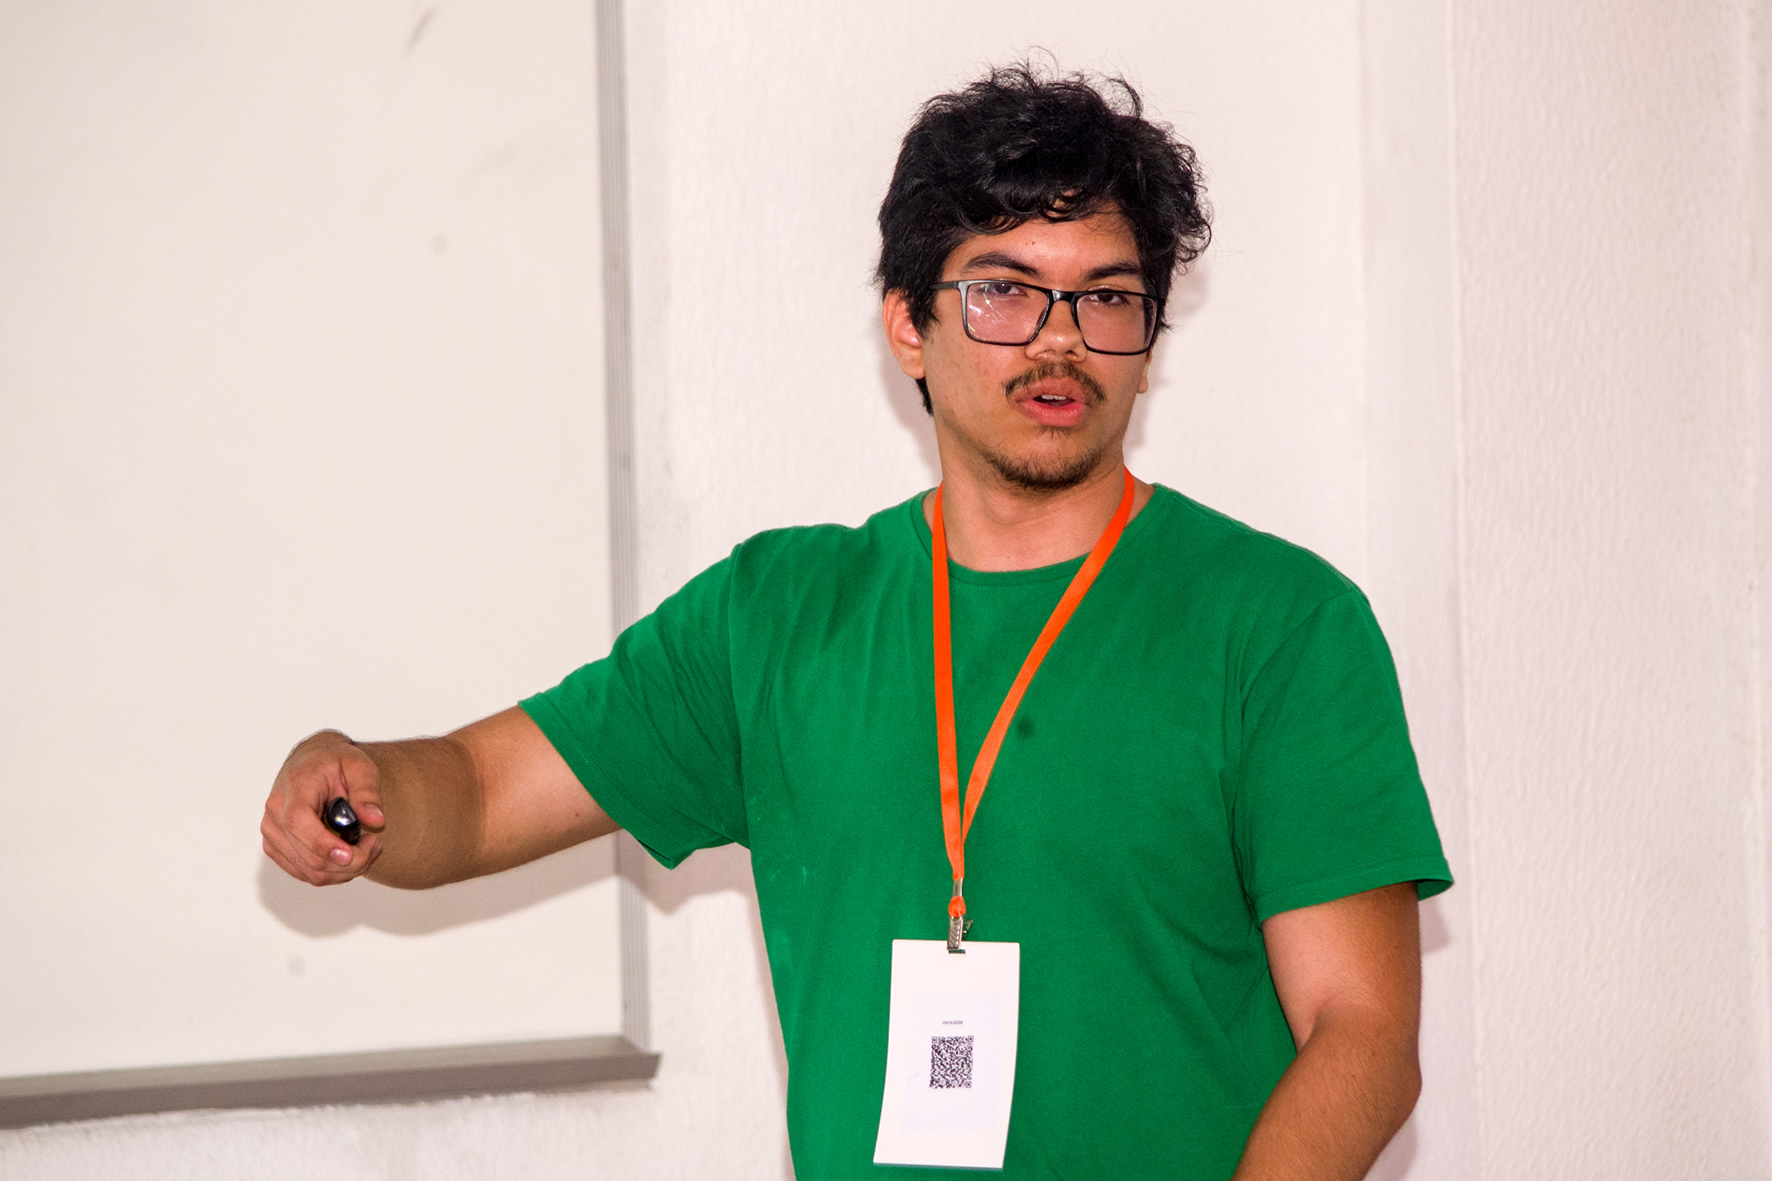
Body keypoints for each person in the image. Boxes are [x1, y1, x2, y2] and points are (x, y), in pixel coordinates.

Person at [261, 65, 1451, 1180]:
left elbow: (1359, 1031)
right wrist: (360, 779)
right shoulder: (776, 616)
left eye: (1104, 297)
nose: (1058, 337)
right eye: (1002, 291)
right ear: (906, 325)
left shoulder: (1280, 624)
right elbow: (479, 789)